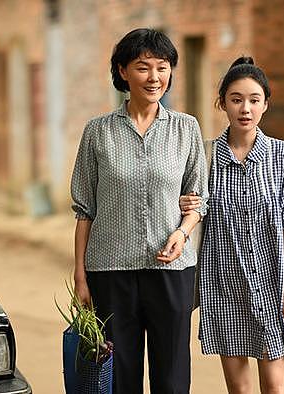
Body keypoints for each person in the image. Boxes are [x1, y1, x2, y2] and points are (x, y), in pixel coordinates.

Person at [70, 28, 208, 394]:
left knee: (173, 376)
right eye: (143, 67)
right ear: (122, 71)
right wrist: (81, 276)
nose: (154, 77)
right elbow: (84, 208)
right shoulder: (97, 132)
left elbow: (198, 199)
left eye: (162, 67)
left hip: (172, 270)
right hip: (110, 271)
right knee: (118, 377)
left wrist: (182, 232)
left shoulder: (186, 128)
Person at [180, 57, 284, 394]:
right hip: (222, 285)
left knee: (274, 389)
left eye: (254, 99)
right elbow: (191, 210)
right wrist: (184, 205)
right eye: (236, 99)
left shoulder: (283, 155)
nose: (245, 108)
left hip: (271, 283)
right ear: (222, 103)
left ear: (266, 104)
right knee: (239, 390)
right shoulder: (204, 156)